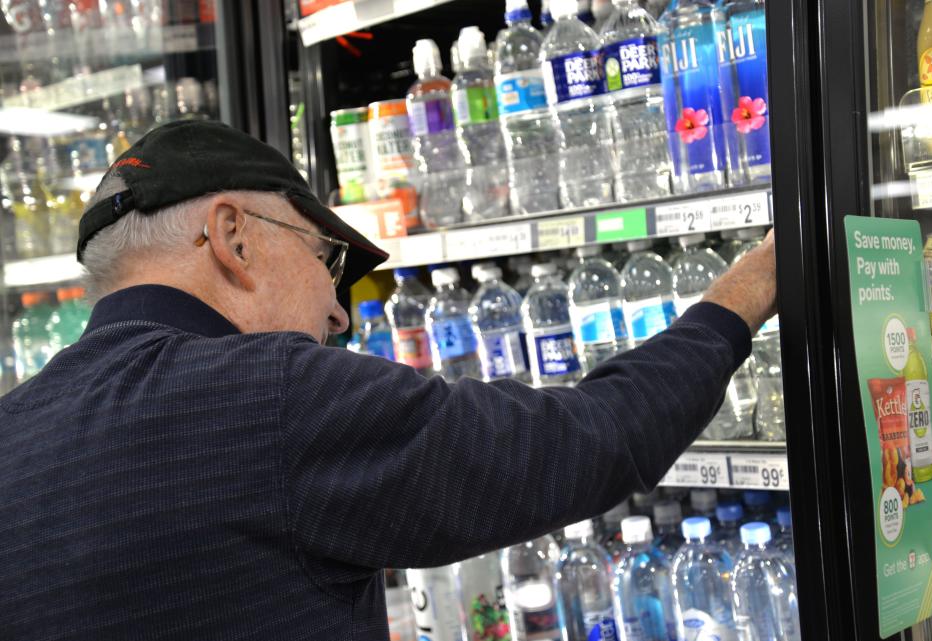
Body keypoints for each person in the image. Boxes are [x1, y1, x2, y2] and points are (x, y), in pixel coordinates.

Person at [0, 121, 777, 640]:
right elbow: (592, 440)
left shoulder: (14, 431)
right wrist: (757, 280)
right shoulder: (271, 398)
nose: (339, 315)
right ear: (233, 236)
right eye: (325, 260)